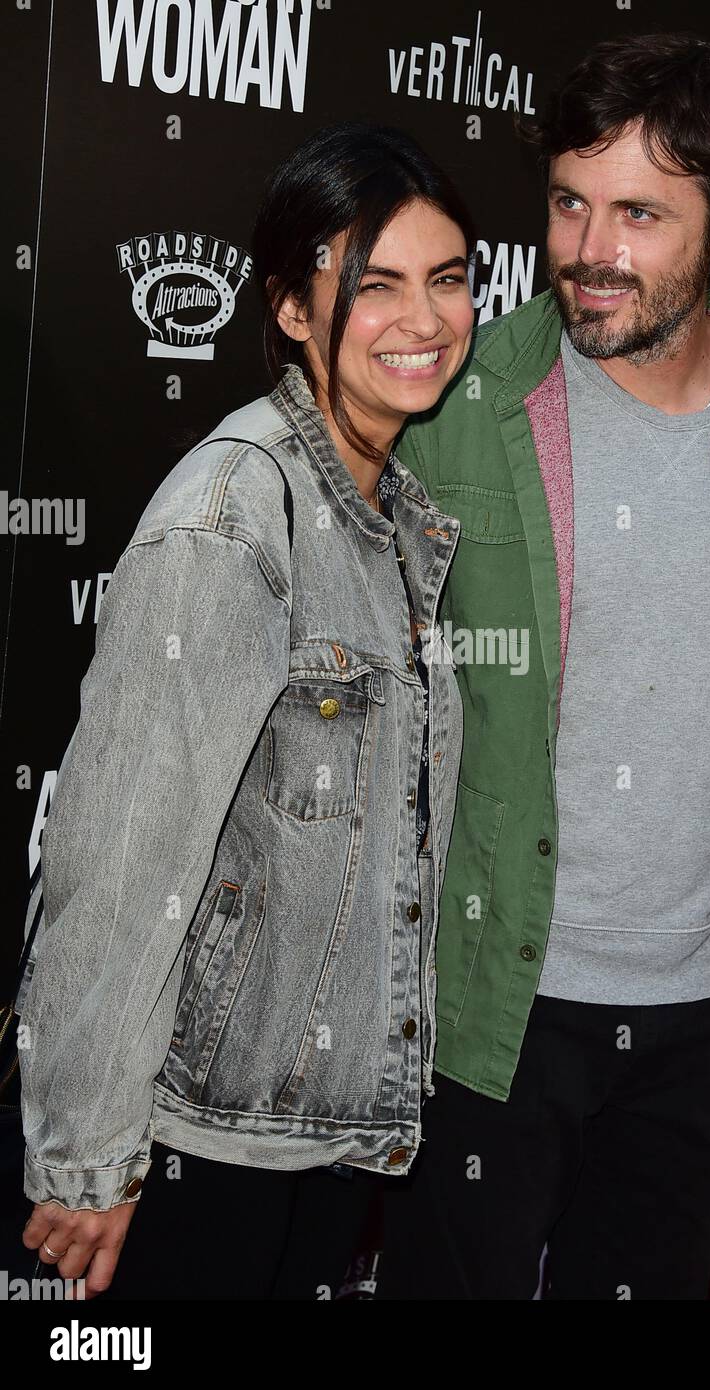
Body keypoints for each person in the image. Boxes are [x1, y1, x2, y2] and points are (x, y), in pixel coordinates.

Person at [376, 33, 710, 1299]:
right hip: (483, 1003)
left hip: (699, 1013)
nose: (588, 251)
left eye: (637, 215)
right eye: (567, 202)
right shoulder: (461, 391)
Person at [15, 120, 475, 1299]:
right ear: (285, 306)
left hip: (314, 1134)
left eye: (446, 280)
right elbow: (119, 861)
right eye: (372, 286)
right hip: (193, 1148)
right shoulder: (231, 516)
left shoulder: (393, 513)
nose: (422, 322)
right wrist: (89, 1159)